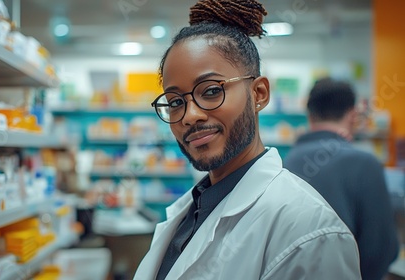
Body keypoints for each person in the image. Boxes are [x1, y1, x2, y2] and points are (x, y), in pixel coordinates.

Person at [133, 0, 361, 279]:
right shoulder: (195, 209)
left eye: (211, 91)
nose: (189, 116)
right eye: (176, 101)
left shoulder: (308, 230)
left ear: (259, 93)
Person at [284, 77, 399, 280]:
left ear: (310, 116)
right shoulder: (365, 163)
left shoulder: (287, 162)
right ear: (353, 115)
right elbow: (382, 248)